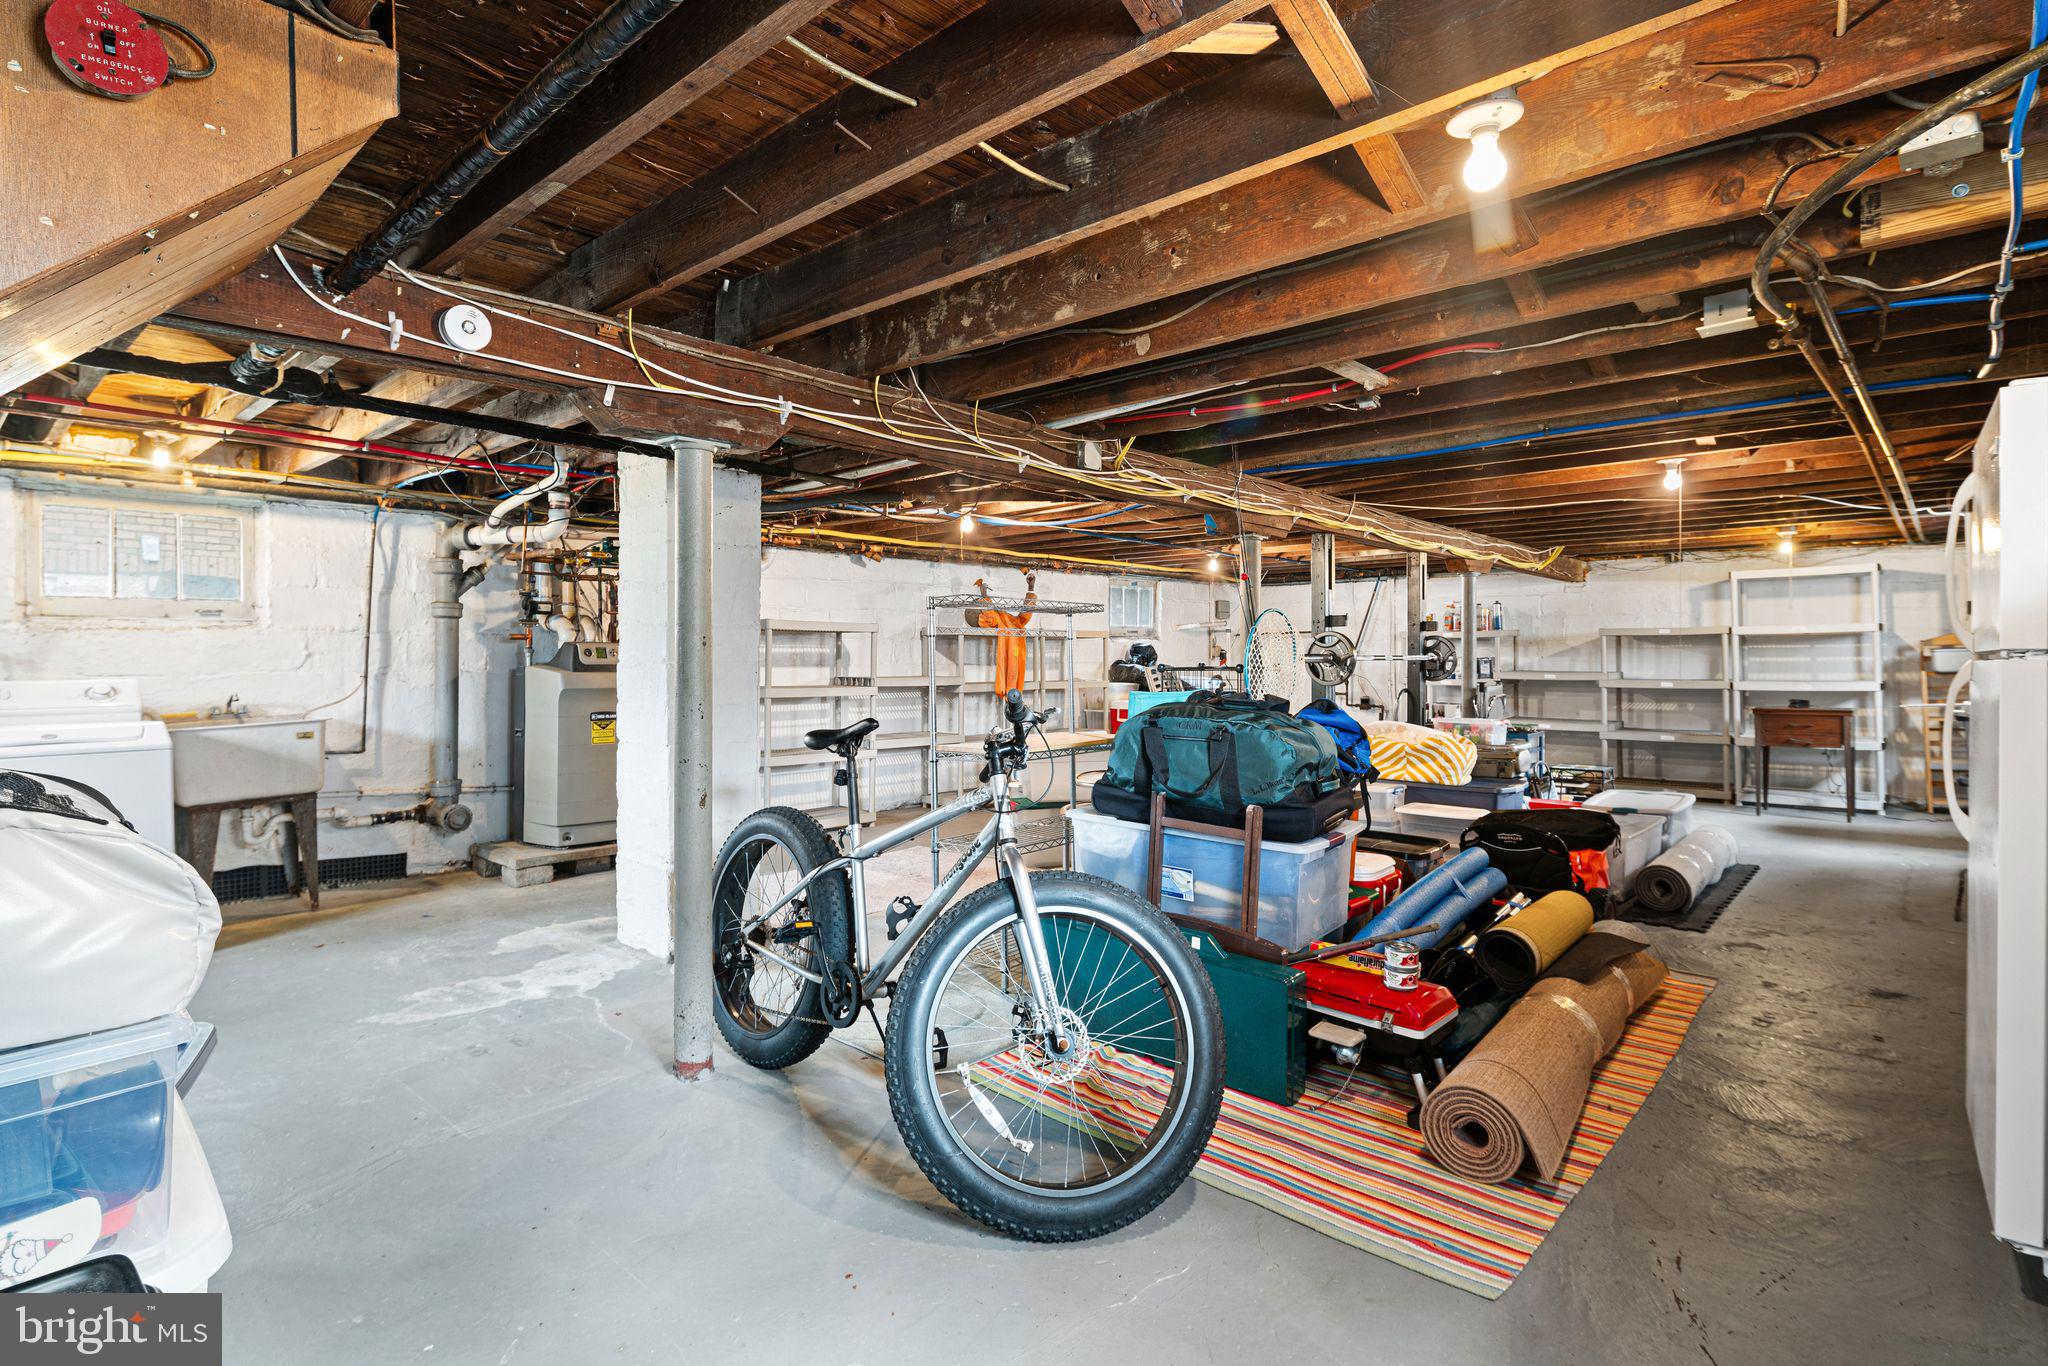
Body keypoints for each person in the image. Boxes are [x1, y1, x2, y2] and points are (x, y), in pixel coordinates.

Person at [965, 571, 1038, 695]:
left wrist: (1030, 589)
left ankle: (1012, 698)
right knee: (1012, 688)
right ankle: (1012, 697)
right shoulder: (994, 620)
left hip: (1014, 670)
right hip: (1010, 681)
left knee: (1013, 689)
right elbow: (989, 615)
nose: (989, 605)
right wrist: (984, 596)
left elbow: (1023, 616)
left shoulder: (1007, 621)